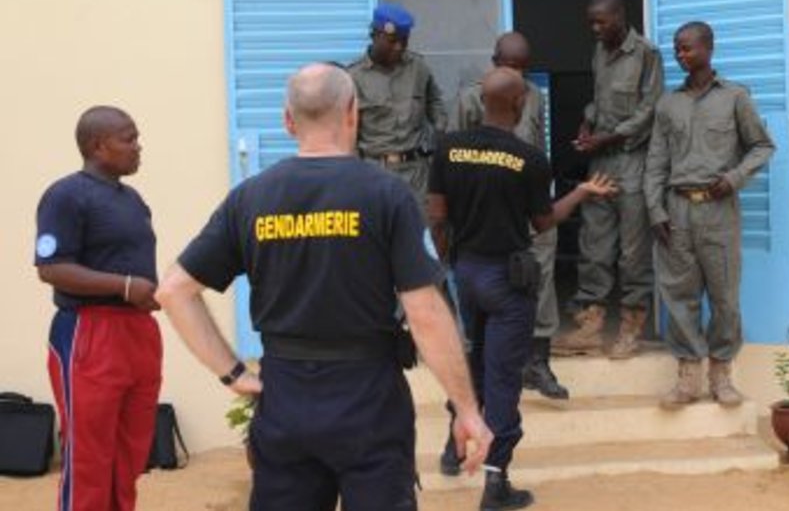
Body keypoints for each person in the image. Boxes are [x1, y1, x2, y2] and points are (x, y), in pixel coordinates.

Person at [154, 64, 491, 511]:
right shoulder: (387, 195)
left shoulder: (250, 198)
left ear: (287, 121)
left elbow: (173, 291)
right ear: (353, 113)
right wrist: (466, 408)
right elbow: (425, 313)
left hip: (284, 397)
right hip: (369, 399)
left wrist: (234, 374)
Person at [429, 67, 617, 510]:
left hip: (466, 274)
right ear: (518, 104)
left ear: (482, 101)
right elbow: (544, 222)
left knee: (471, 364)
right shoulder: (530, 159)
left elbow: (437, 216)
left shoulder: (448, 148)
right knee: (502, 378)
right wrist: (582, 193)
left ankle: (453, 448)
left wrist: (446, 267)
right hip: (507, 282)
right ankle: (495, 483)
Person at [34, 106, 162, 511]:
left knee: (129, 456)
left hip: (137, 334)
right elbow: (51, 268)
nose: (138, 146)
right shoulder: (66, 195)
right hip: (89, 334)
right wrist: (124, 286)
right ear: (98, 146)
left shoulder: (133, 200)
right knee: (90, 456)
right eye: (128, 139)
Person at [644, 22, 774, 408]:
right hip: (677, 209)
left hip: (719, 211)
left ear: (708, 48)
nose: (681, 55)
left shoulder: (735, 97)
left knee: (725, 296)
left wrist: (733, 179)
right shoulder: (668, 105)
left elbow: (762, 146)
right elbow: (656, 162)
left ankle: (721, 374)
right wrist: (655, 210)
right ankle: (688, 377)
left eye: (688, 48)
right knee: (679, 295)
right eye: (677, 49)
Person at [450, 32, 568, 400]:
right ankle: (484, 365)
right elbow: (454, 156)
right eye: (508, 66)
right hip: (489, 211)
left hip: (530, 204)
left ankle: (539, 362)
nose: (516, 74)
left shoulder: (534, 95)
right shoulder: (470, 98)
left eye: (522, 68)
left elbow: (539, 147)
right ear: (494, 62)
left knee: (542, 277)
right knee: (491, 285)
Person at [553, 0, 662, 359]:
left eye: (601, 22)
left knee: (633, 253)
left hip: (632, 161)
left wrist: (609, 137)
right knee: (594, 245)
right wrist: (588, 124)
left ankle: (631, 329)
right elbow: (598, 100)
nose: (596, 29)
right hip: (600, 162)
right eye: (592, 23)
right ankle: (590, 326)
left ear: (620, 16)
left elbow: (649, 111)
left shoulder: (646, 54)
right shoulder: (599, 51)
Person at [348, 3, 447, 200]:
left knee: (418, 219)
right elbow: (347, 131)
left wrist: (439, 130)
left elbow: (435, 102)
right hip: (373, 172)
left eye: (404, 41)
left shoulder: (418, 68)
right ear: (375, 35)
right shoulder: (353, 77)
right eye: (392, 41)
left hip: (417, 174)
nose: (399, 47)